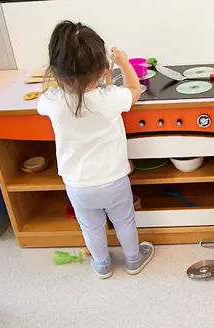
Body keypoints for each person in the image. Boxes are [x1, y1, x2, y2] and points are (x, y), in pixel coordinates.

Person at [37, 21, 154, 279]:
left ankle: (102, 265)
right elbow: (134, 91)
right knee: (124, 220)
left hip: (77, 184)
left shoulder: (52, 100)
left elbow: (56, 99)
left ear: (55, 72)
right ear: (102, 69)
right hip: (113, 179)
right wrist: (123, 62)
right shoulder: (109, 98)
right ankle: (133, 259)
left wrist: (99, 79)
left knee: (90, 226)